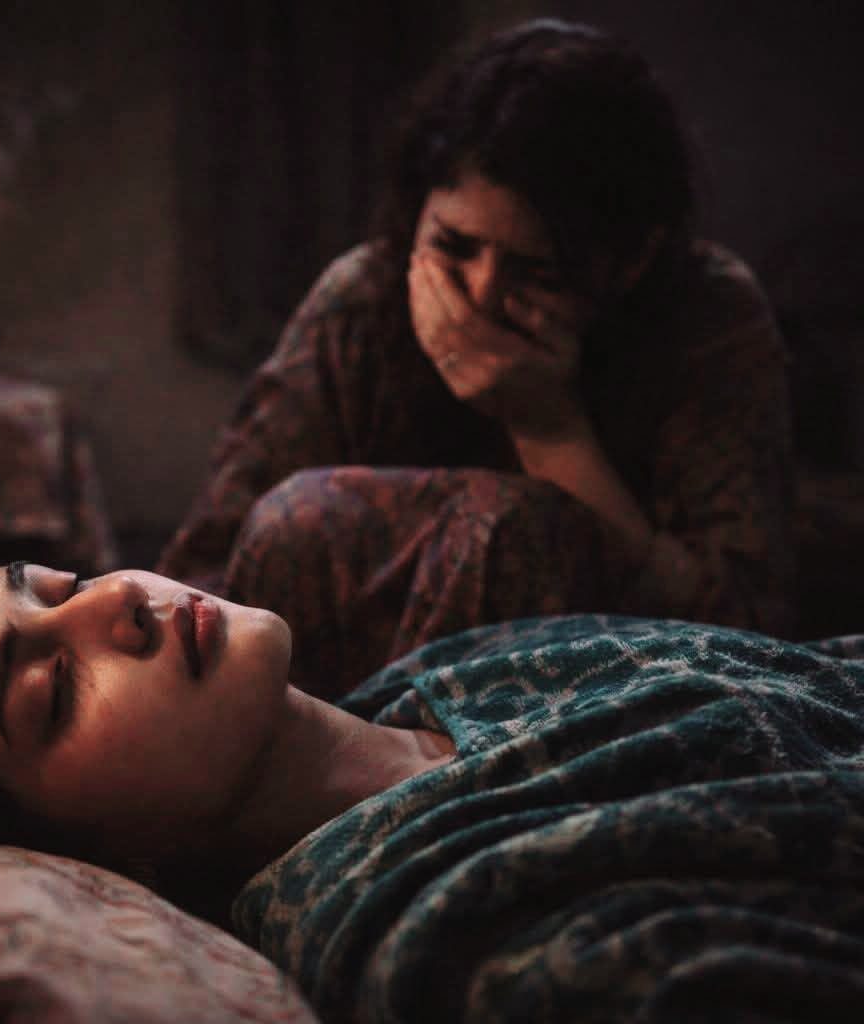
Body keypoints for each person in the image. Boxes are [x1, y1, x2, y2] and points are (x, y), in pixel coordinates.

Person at [0, 558, 863, 1022]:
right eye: (53, 691)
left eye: (60, 586)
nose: (119, 600)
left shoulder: (438, 673)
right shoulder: (456, 938)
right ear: (91, 856)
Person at [157, 18, 796, 699]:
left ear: (630, 260)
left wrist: (550, 429)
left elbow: (738, 628)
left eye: (537, 269)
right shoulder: (367, 299)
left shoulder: (706, 317)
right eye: (455, 247)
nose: (483, 294)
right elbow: (213, 566)